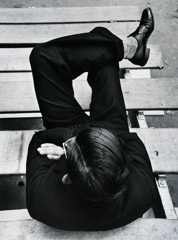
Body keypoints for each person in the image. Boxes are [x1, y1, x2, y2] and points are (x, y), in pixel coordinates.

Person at [26, 8, 157, 231]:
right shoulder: (143, 190)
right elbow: (131, 140)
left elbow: (41, 139)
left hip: (66, 131)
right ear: (121, 166)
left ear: (67, 178)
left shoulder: (41, 200)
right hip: (111, 133)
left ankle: (128, 46)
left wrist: (70, 147)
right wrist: (93, 144)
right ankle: (130, 47)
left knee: (42, 56)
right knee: (102, 55)